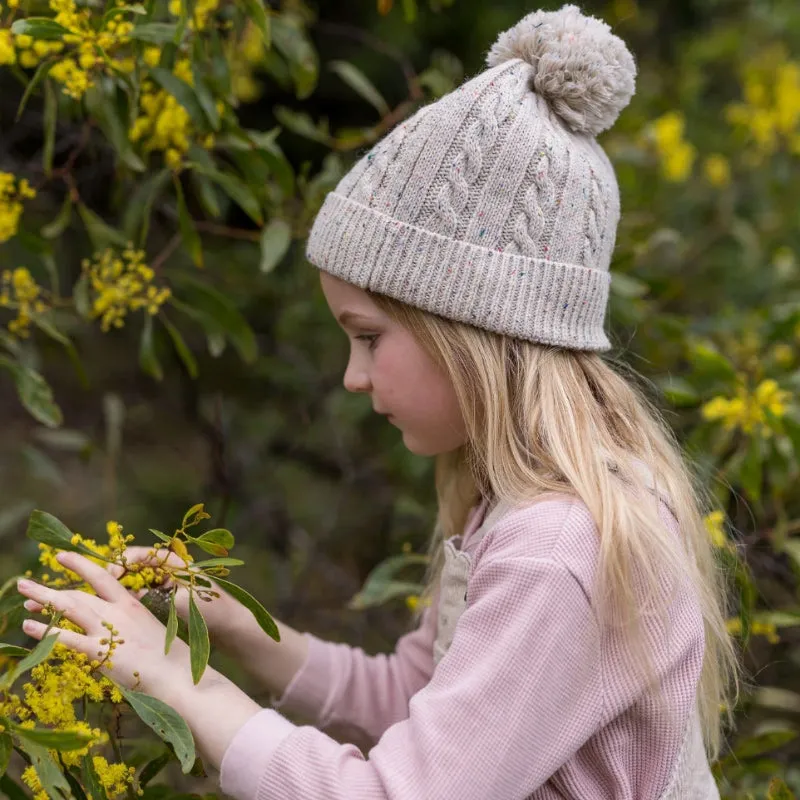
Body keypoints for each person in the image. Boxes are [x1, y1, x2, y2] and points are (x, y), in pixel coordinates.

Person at [17, 4, 739, 798]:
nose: (353, 377)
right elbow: (421, 700)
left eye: (368, 337)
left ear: (472, 330)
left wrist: (175, 682)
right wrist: (239, 630)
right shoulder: (516, 502)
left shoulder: (555, 549)